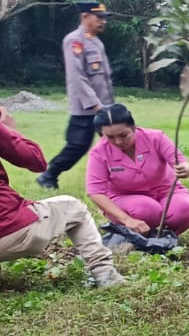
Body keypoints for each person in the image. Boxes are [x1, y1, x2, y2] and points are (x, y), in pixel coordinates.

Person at [0, 106, 124, 287]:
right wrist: (8, 129)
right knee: (74, 208)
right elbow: (36, 161)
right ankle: (104, 273)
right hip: (10, 229)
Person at [85, 104, 189, 236]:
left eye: (124, 135)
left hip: (165, 190)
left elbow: (182, 162)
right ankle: (137, 236)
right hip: (124, 197)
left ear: (133, 127)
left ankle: (167, 237)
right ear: (101, 135)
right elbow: (95, 192)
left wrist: (185, 169)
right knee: (146, 210)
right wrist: (126, 219)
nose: (119, 141)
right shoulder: (99, 153)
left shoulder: (156, 138)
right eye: (110, 137)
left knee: (183, 210)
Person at [38, 1, 114, 190]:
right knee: (78, 145)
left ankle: (116, 179)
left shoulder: (95, 41)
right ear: (85, 17)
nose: (103, 21)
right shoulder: (75, 40)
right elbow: (76, 76)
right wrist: (95, 105)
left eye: (104, 18)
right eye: (99, 17)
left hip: (105, 105)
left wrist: (109, 105)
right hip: (86, 108)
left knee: (115, 141)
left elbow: (103, 78)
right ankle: (49, 174)